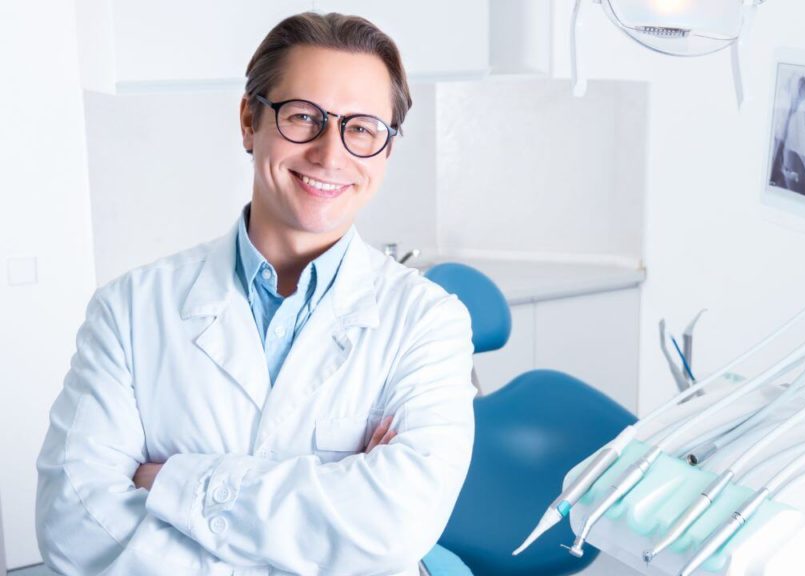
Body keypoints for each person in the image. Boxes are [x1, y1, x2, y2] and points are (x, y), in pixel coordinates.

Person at [36, 12, 475, 576]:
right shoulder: (129, 310)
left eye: (363, 128)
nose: (330, 154)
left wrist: (173, 483)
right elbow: (74, 526)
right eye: (303, 117)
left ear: (386, 150)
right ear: (249, 121)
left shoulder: (429, 321)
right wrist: (332, 514)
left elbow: (397, 524)